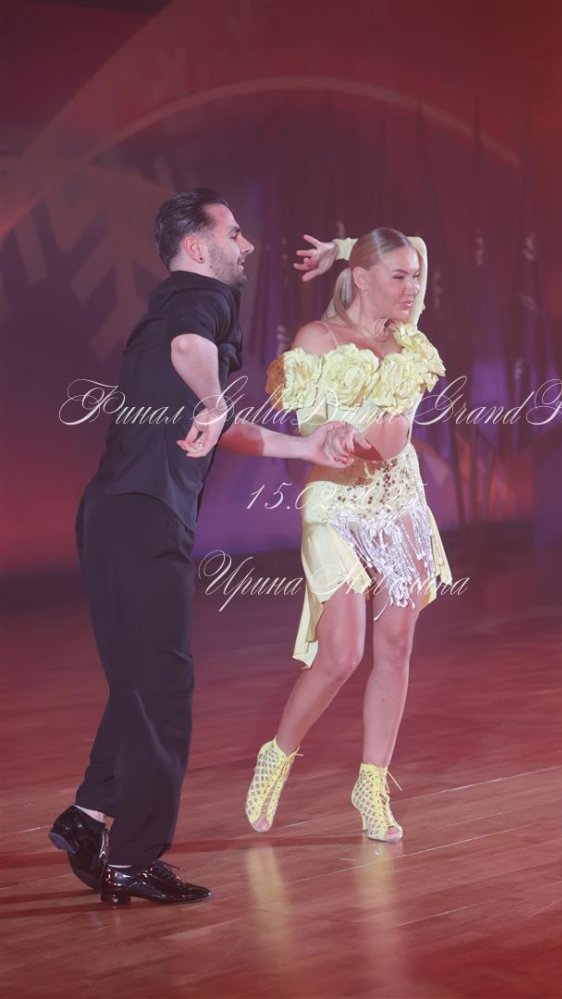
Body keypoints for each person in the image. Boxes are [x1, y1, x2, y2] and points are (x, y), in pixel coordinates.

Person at [49, 189, 361, 905]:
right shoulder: (204, 297)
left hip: (111, 513)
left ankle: (88, 817)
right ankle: (132, 858)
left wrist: (304, 445)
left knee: (139, 681)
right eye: (234, 232)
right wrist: (217, 401)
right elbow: (193, 357)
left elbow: (222, 419)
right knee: (165, 685)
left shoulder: (169, 302)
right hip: (145, 515)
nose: (246, 245)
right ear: (197, 245)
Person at [244, 227, 453, 842]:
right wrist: (334, 437)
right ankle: (278, 753)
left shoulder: (410, 341)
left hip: (399, 500)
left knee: (396, 646)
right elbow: (311, 432)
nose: (412, 287)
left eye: (416, 278)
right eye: (398, 276)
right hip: (336, 502)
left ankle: (371, 783)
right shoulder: (318, 338)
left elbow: (419, 244)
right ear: (362, 280)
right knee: (341, 655)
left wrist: (341, 248)